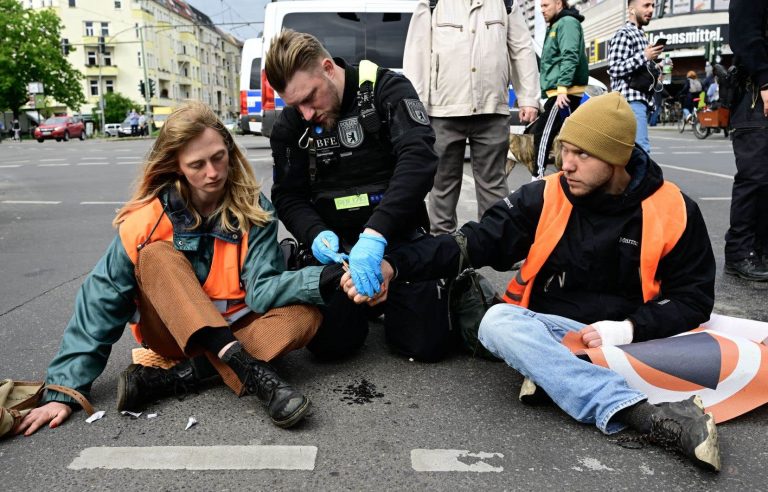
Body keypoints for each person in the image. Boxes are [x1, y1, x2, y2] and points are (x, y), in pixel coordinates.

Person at [343, 93, 721, 471]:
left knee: (525, 343)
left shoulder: (675, 209)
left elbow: (694, 298)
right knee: (496, 322)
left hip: (635, 340)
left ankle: (558, 377)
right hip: (555, 331)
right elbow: (471, 242)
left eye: (582, 155)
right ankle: (646, 414)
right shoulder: (545, 194)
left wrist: (627, 329)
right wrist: (394, 265)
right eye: (564, 150)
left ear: (617, 158)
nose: (566, 165)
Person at [14, 101, 348, 436]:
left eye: (219, 157)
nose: (213, 172)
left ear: (229, 149)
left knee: (306, 315)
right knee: (156, 256)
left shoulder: (255, 210)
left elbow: (262, 291)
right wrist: (63, 392)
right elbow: (100, 300)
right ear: (177, 166)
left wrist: (323, 277)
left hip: (242, 327)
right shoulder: (147, 219)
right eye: (197, 164)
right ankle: (251, 372)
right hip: (174, 336)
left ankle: (174, 379)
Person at [267, 30, 451, 362]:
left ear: (327, 68)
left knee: (426, 344)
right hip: (335, 250)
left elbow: (419, 159)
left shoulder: (386, 89)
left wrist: (377, 233)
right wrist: (315, 234)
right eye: (296, 105)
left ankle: (398, 293)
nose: (306, 114)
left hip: (393, 237)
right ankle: (360, 302)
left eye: (311, 98)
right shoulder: (291, 125)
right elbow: (287, 195)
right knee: (331, 347)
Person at [403, 0, 540, 233]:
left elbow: (521, 48)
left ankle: (495, 244)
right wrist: (418, 106)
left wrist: (528, 97)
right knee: (442, 185)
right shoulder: (432, 3)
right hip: (443, 108)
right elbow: (417, 52)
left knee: (494, 184)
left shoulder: (506, 4)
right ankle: (442, 244)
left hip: (491, 108)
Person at [724, 0, 768, 281]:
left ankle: (760, 250)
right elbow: (744, 36)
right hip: (756, 94)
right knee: (756, 176)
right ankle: (740, 253)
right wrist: (765, 81)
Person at [529, 0, 589, 180]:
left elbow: (569, 55)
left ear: (558, 3)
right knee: (569, 137)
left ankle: (537, 177)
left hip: (563, 93)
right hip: (562, 91)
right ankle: (571, 175)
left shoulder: (567, 23)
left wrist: (562, 88)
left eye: (546, 5)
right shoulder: (558, 24)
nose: (542, 10)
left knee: (543, 134)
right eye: (540, 6)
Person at [607, 0, 664, 153]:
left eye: (653, 5)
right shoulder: (624, 34)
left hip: (639, 101)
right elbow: (614, 68)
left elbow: (638, 68)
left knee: (630, 153)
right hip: (630, 101)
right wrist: (645, 56)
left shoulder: (641, 35)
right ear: (632, 10)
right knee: (641, 150)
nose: (651, 9)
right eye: (646, 5)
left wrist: (655, 66)